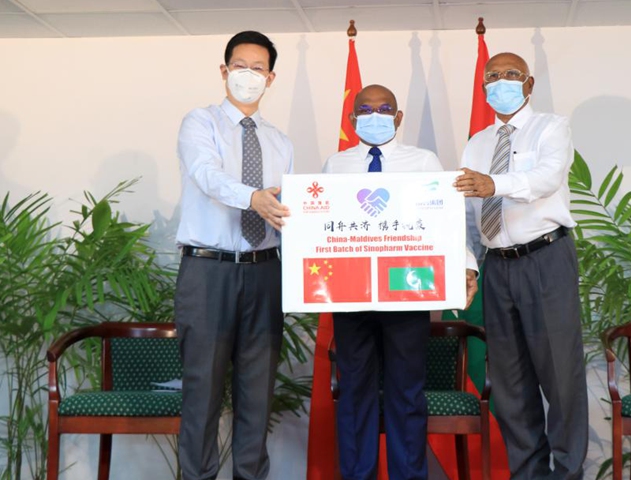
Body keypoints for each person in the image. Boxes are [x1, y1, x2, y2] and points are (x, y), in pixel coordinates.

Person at [323, 84, 478, 480]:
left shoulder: (423, 161)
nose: (375, 115)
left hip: (406, 292)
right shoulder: (335, 165)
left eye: (385, 108)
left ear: (399, 117)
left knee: (406, 393)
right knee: (355, 393)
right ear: (352, 118)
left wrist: (464, 266)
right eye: (366, 109)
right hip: (350, 295)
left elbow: (447, 218)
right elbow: (321, 227)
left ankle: (409, 475)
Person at [454, 53, 588, 479]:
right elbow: (468, 214)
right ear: (483, 90)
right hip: (498, 268)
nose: (501, 82)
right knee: (510, 384)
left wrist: (495, 183)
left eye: (511, 75)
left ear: (528, 85)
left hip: (545, 259)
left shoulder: (551, 127)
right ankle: (528, 474)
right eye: (492, 77)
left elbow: (548, 177)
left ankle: (567, 473)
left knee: (560, 378)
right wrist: (469, 266)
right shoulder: (476, 143)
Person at [174, 31, 292, 480]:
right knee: (202, 392)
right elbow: (206, 175)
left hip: (266, 274)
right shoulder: (199, 123)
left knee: (257, 394)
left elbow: (290, 211)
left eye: (257, 69)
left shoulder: (281, 142)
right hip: (208, 271)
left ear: (270, 78)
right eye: (239, 66)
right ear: (224, 72)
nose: (248, 75)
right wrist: (252, 198)